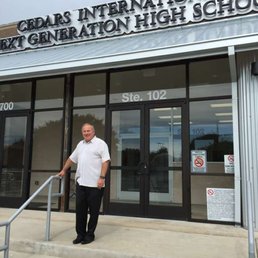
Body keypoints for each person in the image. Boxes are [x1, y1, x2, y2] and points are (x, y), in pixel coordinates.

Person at [58, 123, 110, 245]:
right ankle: (80, 234)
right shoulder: (80, 145)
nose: (86, 133)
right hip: (81, 184)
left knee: (93, 212)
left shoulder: (101, 144)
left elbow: (105, 161)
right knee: (80, 211)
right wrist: (64, 170)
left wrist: (102, 177)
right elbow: (72, 159)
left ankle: (90, 235)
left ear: (93, 131)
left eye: (88, 131)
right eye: (84, 131)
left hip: (96, 185)